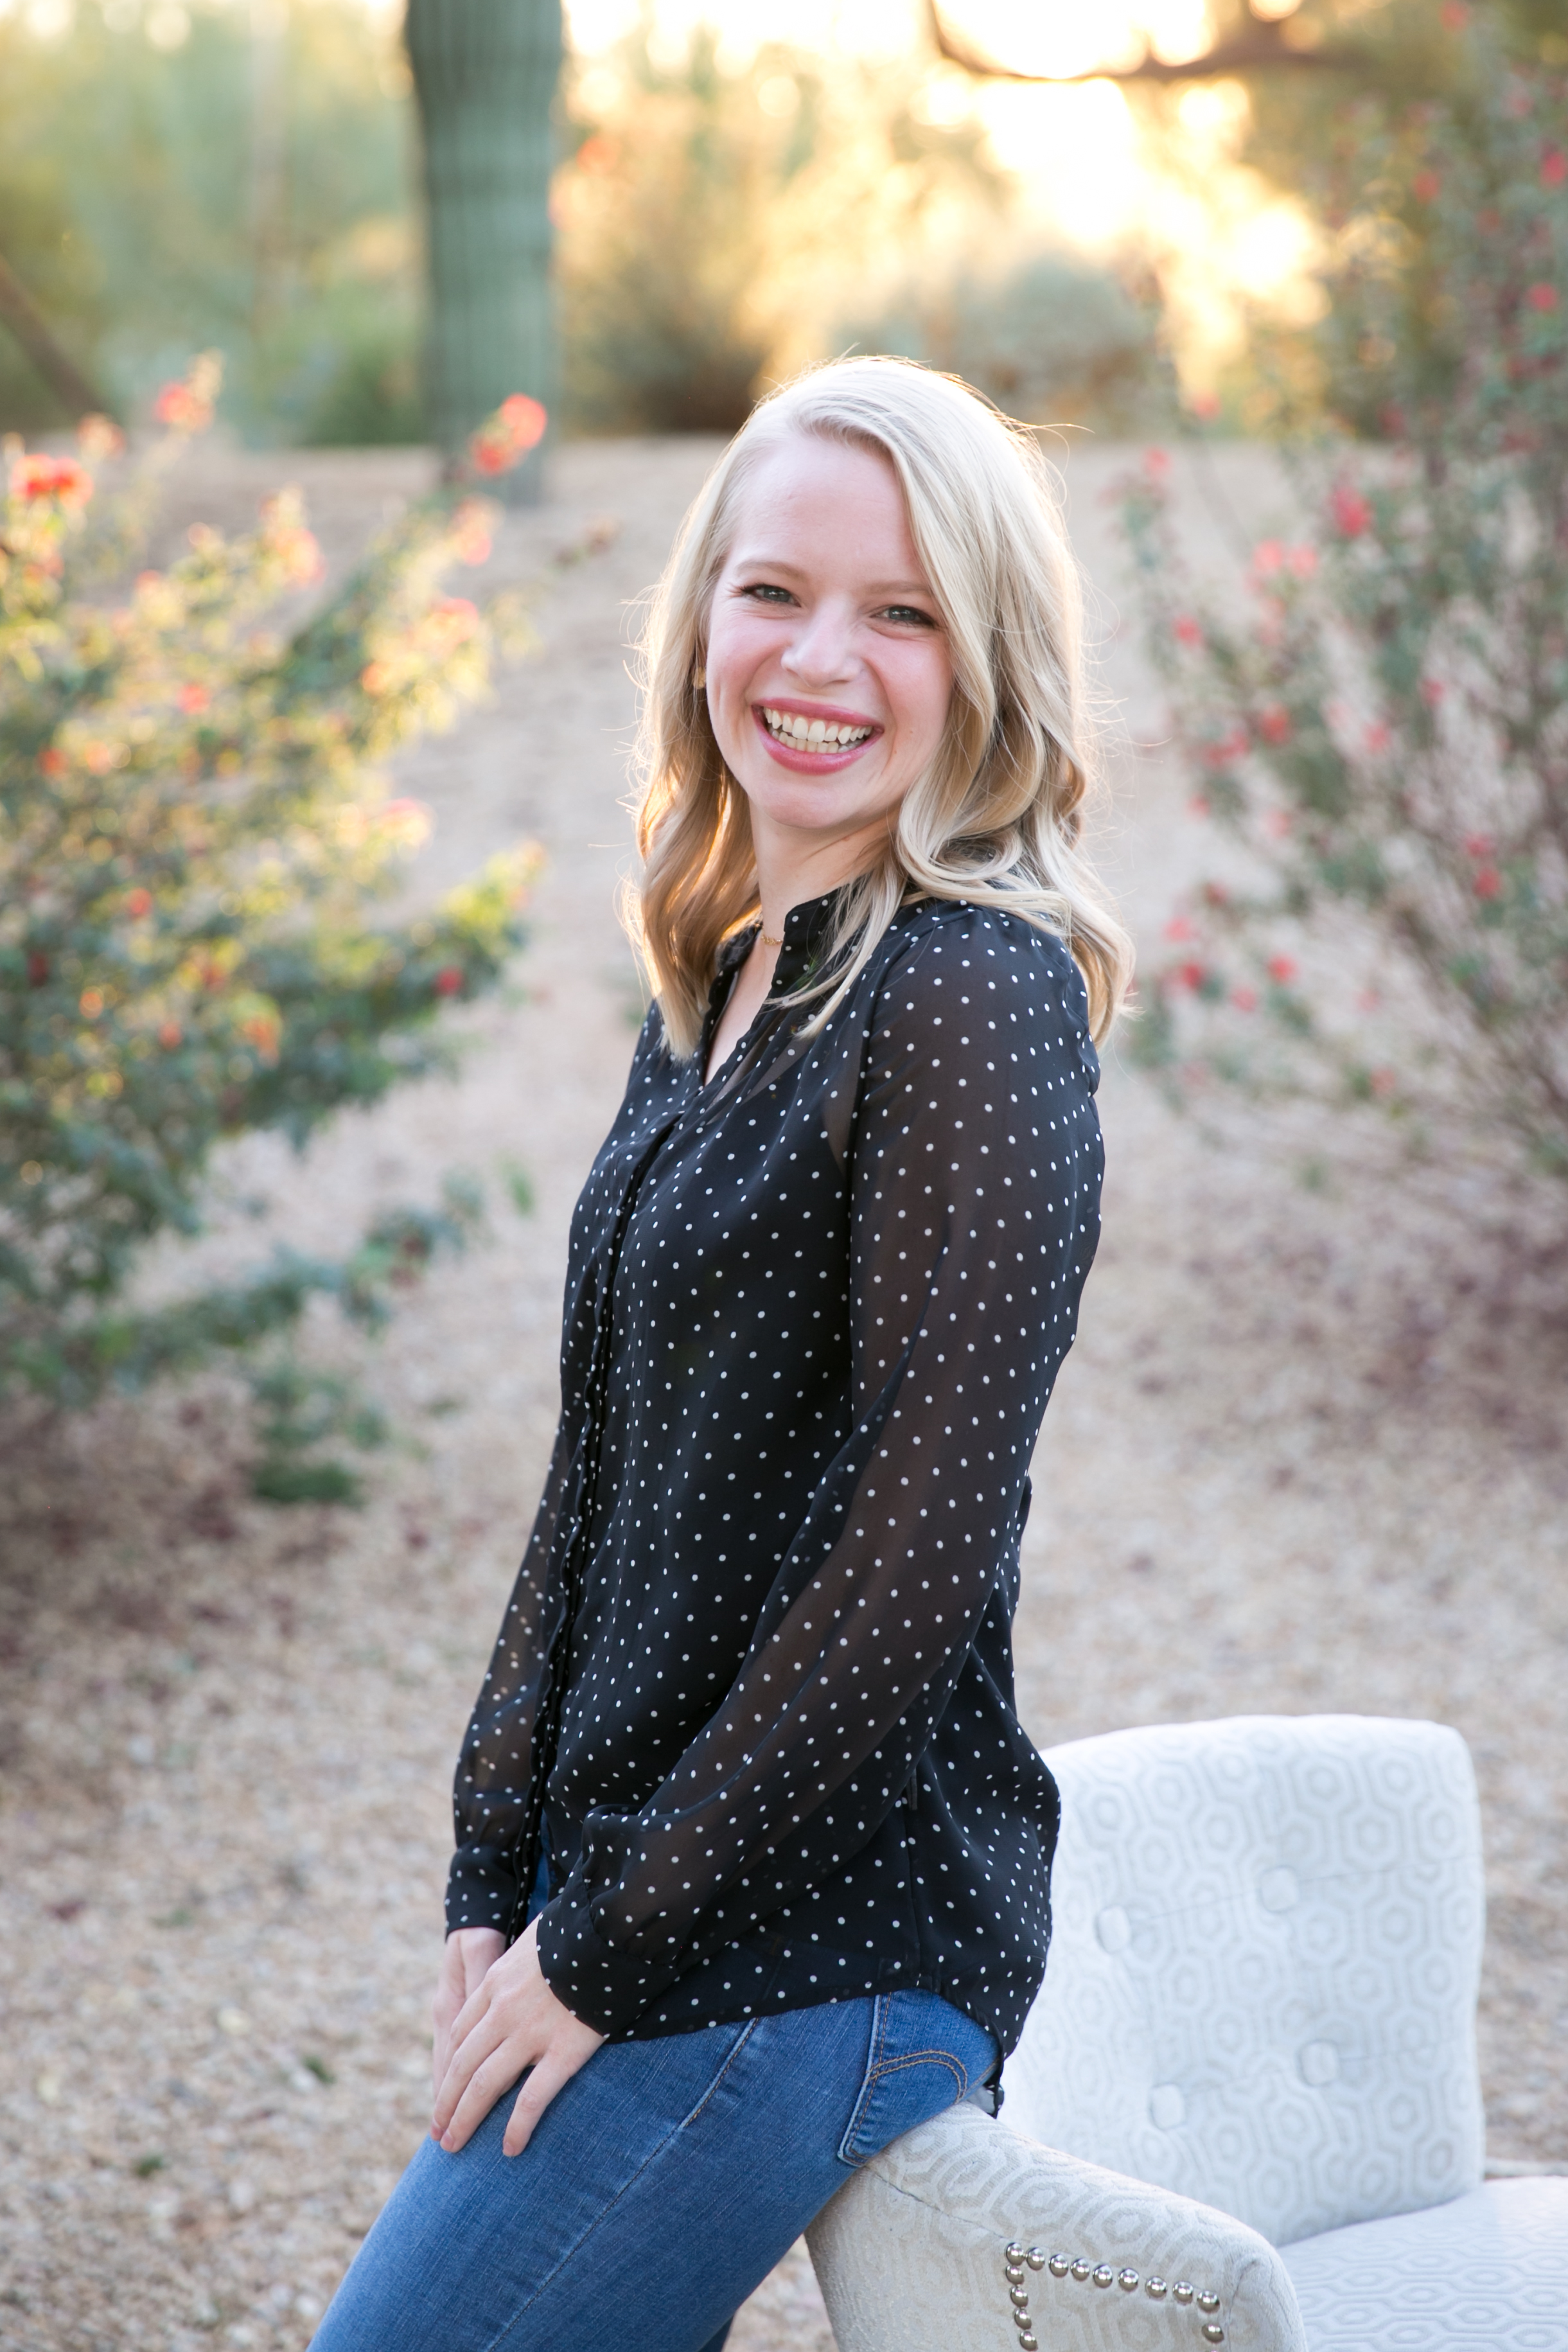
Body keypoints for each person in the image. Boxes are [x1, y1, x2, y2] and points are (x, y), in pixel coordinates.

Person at [312, 355, 1131, 2352]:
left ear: (986, 663)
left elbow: (912, 1556)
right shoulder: (725, 972)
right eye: (774, 591)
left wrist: (603, 1945)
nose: (819, 658)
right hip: (650, 1890)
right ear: (699, 623)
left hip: (814, 1939)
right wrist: (493, 1871)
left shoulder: (967, 997)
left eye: (900, 611)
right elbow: (602, 1477)